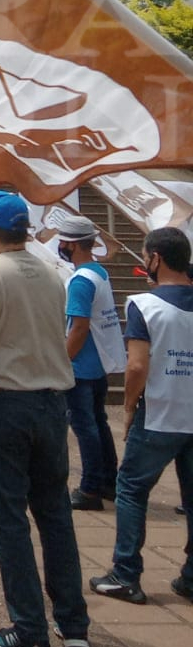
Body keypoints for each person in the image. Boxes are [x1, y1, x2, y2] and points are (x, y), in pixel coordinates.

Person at [0, 190, 89, 647]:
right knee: (54, 515)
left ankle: (28, 631)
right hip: (51, 404)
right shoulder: (52, 275)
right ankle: (72, 623)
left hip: (4, 405)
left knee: (8, 520)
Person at [90, 227, 193, 604]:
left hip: (161, 411)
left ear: (156, 259)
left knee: (132, 490)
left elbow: (136, 366)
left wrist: (130, 407)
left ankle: (126, 573)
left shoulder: (144, 305)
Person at [54, 212, 126, 512]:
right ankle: (109, 481)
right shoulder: (100, 273)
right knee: (98, 422)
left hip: (81, 366)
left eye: (62, 242)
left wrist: (62, 361)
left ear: (71, 245)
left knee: (86, 427)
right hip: (98, 363)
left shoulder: (80, 281)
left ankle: (91, 488)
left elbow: (79, 327)